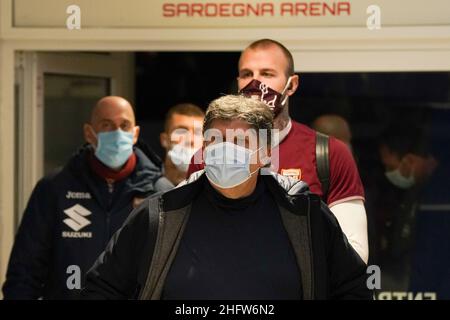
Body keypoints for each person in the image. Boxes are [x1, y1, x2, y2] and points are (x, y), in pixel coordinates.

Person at [81, 95, 371, 300]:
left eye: (241, 141)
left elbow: (353, 288)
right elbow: (101, 288)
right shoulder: (160, 215)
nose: (225, 150)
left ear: (265, 154)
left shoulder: (305, 216)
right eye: (215, 140)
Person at [187, 39, 368, 263]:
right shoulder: (209, 156)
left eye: (267, 73)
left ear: (291, 85)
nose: (255, 83)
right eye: (246, 74)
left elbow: (355, 253)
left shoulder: (329, 154)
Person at [2, 96, 162, 299]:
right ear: (89, 133)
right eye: (107, 125)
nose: (117, 133)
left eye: (124, 125)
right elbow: (25, 272)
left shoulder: (160, 193)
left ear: (135, 133)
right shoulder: (55, 188)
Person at [155, 103, 204, 192]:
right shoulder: (145, 184)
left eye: (197, 133)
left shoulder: (214, 189)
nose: (190, 140)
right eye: (181, 131)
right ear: (164, 140)